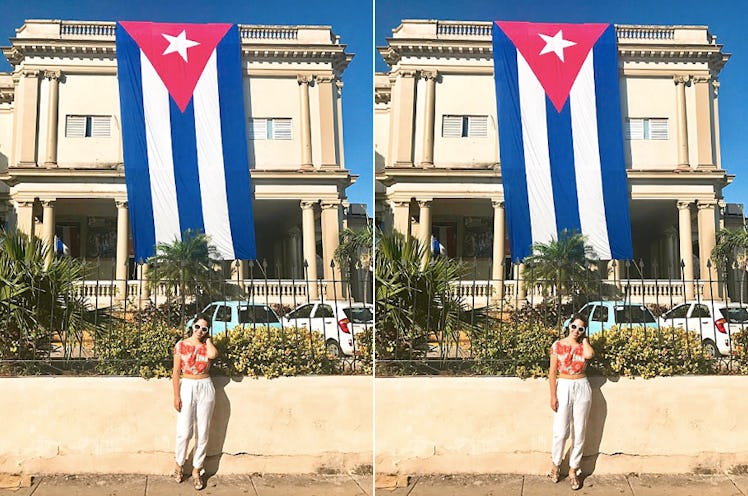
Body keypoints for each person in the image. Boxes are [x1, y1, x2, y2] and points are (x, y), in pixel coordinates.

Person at [548, 314, 594, 491]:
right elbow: (552, 372)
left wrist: (585, 340)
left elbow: (589, 354)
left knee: (580, 431)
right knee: (560, 431)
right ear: (569, 325)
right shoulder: (558, 345)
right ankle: (556, 465)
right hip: (564, 385)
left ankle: (574, 470)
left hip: (581, 385)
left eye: (581, 328)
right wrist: (553, 396)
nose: (576, 331)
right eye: (574, 326)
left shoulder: (583, 346)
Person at [172, 313, 218, 490]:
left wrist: (207, 340)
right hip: (188, 385)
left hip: (205, 385)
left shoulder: (207, 346)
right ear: (192, 326)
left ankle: (197, 470)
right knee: (184, 431)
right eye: (197, 326)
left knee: (203, 431)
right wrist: (176, 395)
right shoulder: (181, 345)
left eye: (204, 328)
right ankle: (179, 464)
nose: (200, 330)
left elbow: (213, 355)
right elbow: (176, 372)